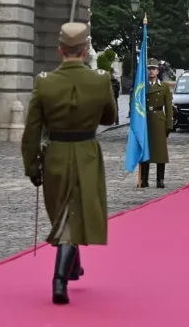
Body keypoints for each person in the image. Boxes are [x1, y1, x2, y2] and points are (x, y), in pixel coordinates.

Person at [20, 21, 117, 305]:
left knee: (65, 212)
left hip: (56, 154)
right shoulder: (100, 80)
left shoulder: (44, 82)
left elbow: (31, 131)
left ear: (60, 50)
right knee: (74, 212)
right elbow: (110, 118)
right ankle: (60, 279)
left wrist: (31, 166)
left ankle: (69, 271)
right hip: (86, 152)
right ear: (85, 51)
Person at [138, 58, 173, 188]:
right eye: (149, 69)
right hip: (145, 118)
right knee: (144, 150)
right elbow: (135, 103)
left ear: (158, 71)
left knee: (160, 151)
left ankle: (160, 179)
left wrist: (169, 124)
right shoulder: (142, 85)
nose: (151, 71)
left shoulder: (163, 87)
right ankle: (144, 178)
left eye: (153, 69)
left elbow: (168, 106)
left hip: (158, 118)